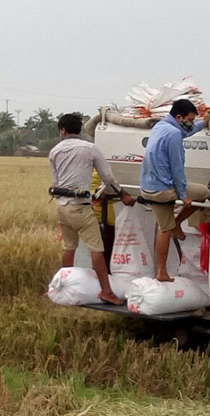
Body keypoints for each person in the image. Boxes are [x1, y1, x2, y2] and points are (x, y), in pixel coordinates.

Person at [49, 113, 135, 305]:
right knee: (96, 249)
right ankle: (106, 291)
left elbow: (55, 183)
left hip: (62, 207)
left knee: (69, 247)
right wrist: (123, 195)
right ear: (79, 129)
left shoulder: (54, 151)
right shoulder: (90, 149)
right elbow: (108, 177)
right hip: (80, 207)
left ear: (62, 130)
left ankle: (64, 286)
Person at [140, 99, 210, 282]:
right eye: (189, 119)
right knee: (203, 193)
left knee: (167, 225)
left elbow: (185, 131)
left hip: (147, 186)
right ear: (178, 117)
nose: (190, 123)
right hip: (162, 190)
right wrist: (184, 194)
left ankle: (176, 224)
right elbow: (177, 168)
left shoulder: (160, 126)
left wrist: (202, 123)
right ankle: (162, 271)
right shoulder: (174, 135)